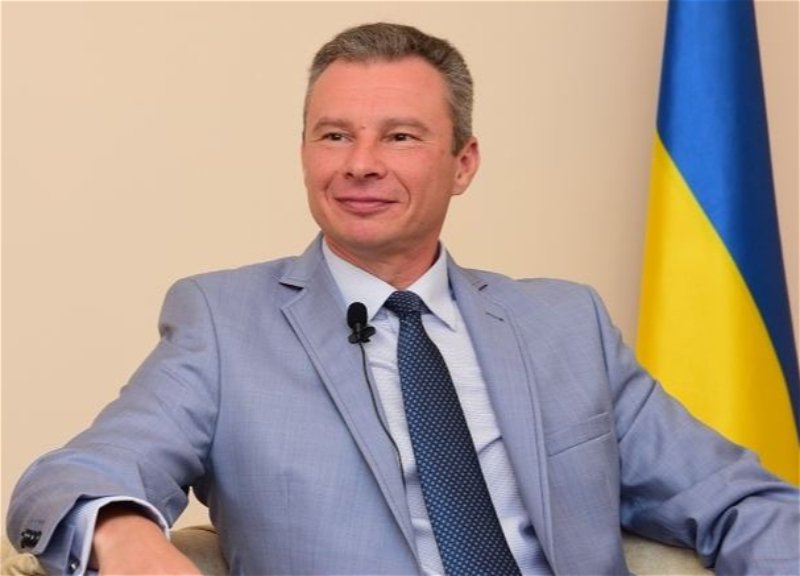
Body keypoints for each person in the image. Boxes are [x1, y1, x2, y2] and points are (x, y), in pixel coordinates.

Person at [7, 22, 798, 576]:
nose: (360, 164)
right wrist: (123, 532)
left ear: (463, 163)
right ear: (304, 153)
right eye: (334, 135)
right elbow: (67, 478)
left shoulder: (565, 324)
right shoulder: (223, 324)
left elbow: (738, 500)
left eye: (400, 136)